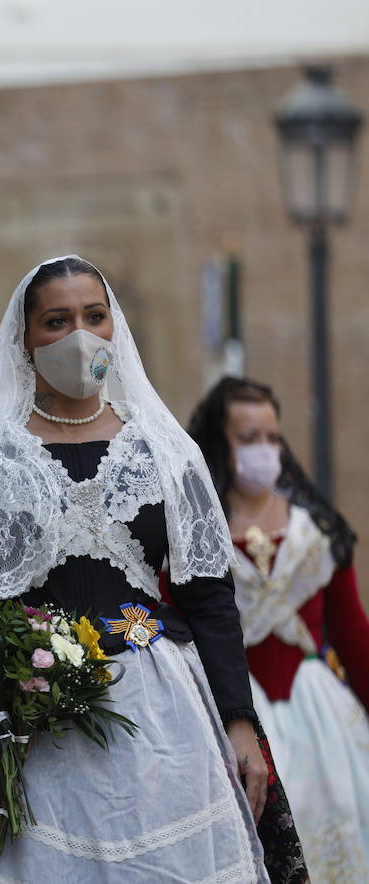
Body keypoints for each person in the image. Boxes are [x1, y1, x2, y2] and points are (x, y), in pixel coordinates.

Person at [0, 256, 305, 883]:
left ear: (115, 326)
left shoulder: (165, 449)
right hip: (20, 714)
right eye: (56, 321)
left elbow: (209, 599)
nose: (79, 335)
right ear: (25, 340)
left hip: (159, 712)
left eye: (94, 316)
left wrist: (239, 721)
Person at [188, 375, 369, 879]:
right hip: (235, 714)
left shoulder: (316, 532)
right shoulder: (198, 535)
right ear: (219, 444)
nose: (264, 450)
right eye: (249, 438)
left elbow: (354, 637)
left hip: (321, 718)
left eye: (272, 437)